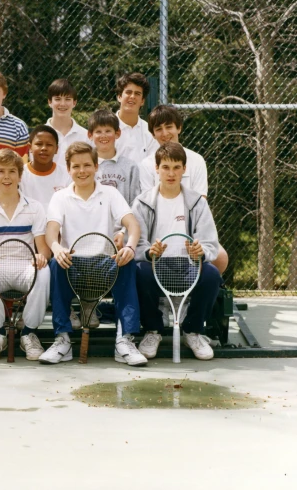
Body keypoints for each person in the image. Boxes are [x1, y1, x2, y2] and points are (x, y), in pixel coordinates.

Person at [43, 142, 147, 366]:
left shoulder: (110, 193)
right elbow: (51, 231)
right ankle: (62, 340)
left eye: (87, 165)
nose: (82, 171)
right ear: (68, 169)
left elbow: (133, 225)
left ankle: (124, 340)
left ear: (96, 166)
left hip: (105, 265)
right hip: (73, 266)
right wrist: (57, 248)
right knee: (55, 264)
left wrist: (129, 247)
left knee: (127, 263)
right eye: (76, 166)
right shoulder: (60, 197)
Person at [132, 142, 222, 361]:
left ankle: (193, 331)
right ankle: (153, 330)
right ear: (157, 168)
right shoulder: (142, 202)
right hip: (156, 266)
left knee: (211, 275)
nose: (171, 173)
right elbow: (134, 243)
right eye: (165, 167)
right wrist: (149, 252)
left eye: (176, 167)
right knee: (139, 272)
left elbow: (211, 243)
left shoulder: (196, 203)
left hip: (188, 266)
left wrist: (200, 252)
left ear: (184, 169)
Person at [0, 149, 51, 361]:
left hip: (26, 266)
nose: (6, 177)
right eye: (1, 171)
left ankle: (29, 332)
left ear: (19, 175)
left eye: (12, 171)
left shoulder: (35, 208)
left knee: (44, 273)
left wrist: (40, 257)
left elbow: (43, 247)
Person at [138, 105, 228, 273]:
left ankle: (196, 289)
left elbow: (201, 203)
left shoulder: (197, 160)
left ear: (179, 127)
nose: (165, 133)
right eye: (159, 129)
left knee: (220, 257)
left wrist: (194, 243)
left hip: (191, 229)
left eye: (169, 127)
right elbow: (150, 205)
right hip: (159, 231)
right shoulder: (146, 165)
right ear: (153, 134)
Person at [89, 109, 141, 205]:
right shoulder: (86, 166)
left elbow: (135, 202)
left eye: (108, 131)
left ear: (117, 133)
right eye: (98, 131)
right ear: (90, 135)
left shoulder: (130, 167)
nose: (103, 135)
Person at [19, 125, 70, 210]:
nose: (44, 148)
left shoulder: (67, 174)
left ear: (56, 149)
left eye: (49, 145)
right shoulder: (20, 174)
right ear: (30, 147)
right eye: (39, 144)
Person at [44, 78, 90, 169]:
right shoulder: (40, 136)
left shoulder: (86, 136)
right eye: (57, 99)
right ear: (50, 102)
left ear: (74, 103)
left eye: (67, 99)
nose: (62, 104)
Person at [114, 72, 158, 164]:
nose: (132, 96)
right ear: (119, 96)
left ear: (142, 101)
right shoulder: (104, 129)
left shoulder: (149, 132)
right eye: (128, 92)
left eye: (137, 93)